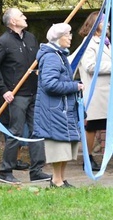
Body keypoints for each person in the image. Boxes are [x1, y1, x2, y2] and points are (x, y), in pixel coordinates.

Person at [0, 7, 51, 185]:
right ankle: (5, 171)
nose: (25, 17)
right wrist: (4, 90)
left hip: (33, 93)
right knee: (15, 133)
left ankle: (36, 170)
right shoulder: (3, 42)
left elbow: (37, 62)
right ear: (13, 22)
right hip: (16, 96)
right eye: (21, 15)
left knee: (37, 132)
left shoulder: (30, 38)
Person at [71, 11, 113, 171]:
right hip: (97, 93)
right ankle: (87, 159)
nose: (108, 24)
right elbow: (90, 66)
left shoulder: (105, 42)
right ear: (95, 25)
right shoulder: (89, 43)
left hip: (109, 91)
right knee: (93, 126)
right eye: (104, 22)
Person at [33, 23, 84, 188]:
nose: (70, 37)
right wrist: (74, 86)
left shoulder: (58, 55)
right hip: (54, 109)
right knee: (59, 145)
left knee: (66, 144)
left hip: (62, 108)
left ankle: (61, 179)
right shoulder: (51, 57)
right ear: (57, 37)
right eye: (67, 34)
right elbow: (49, 84)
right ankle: (56, 180)